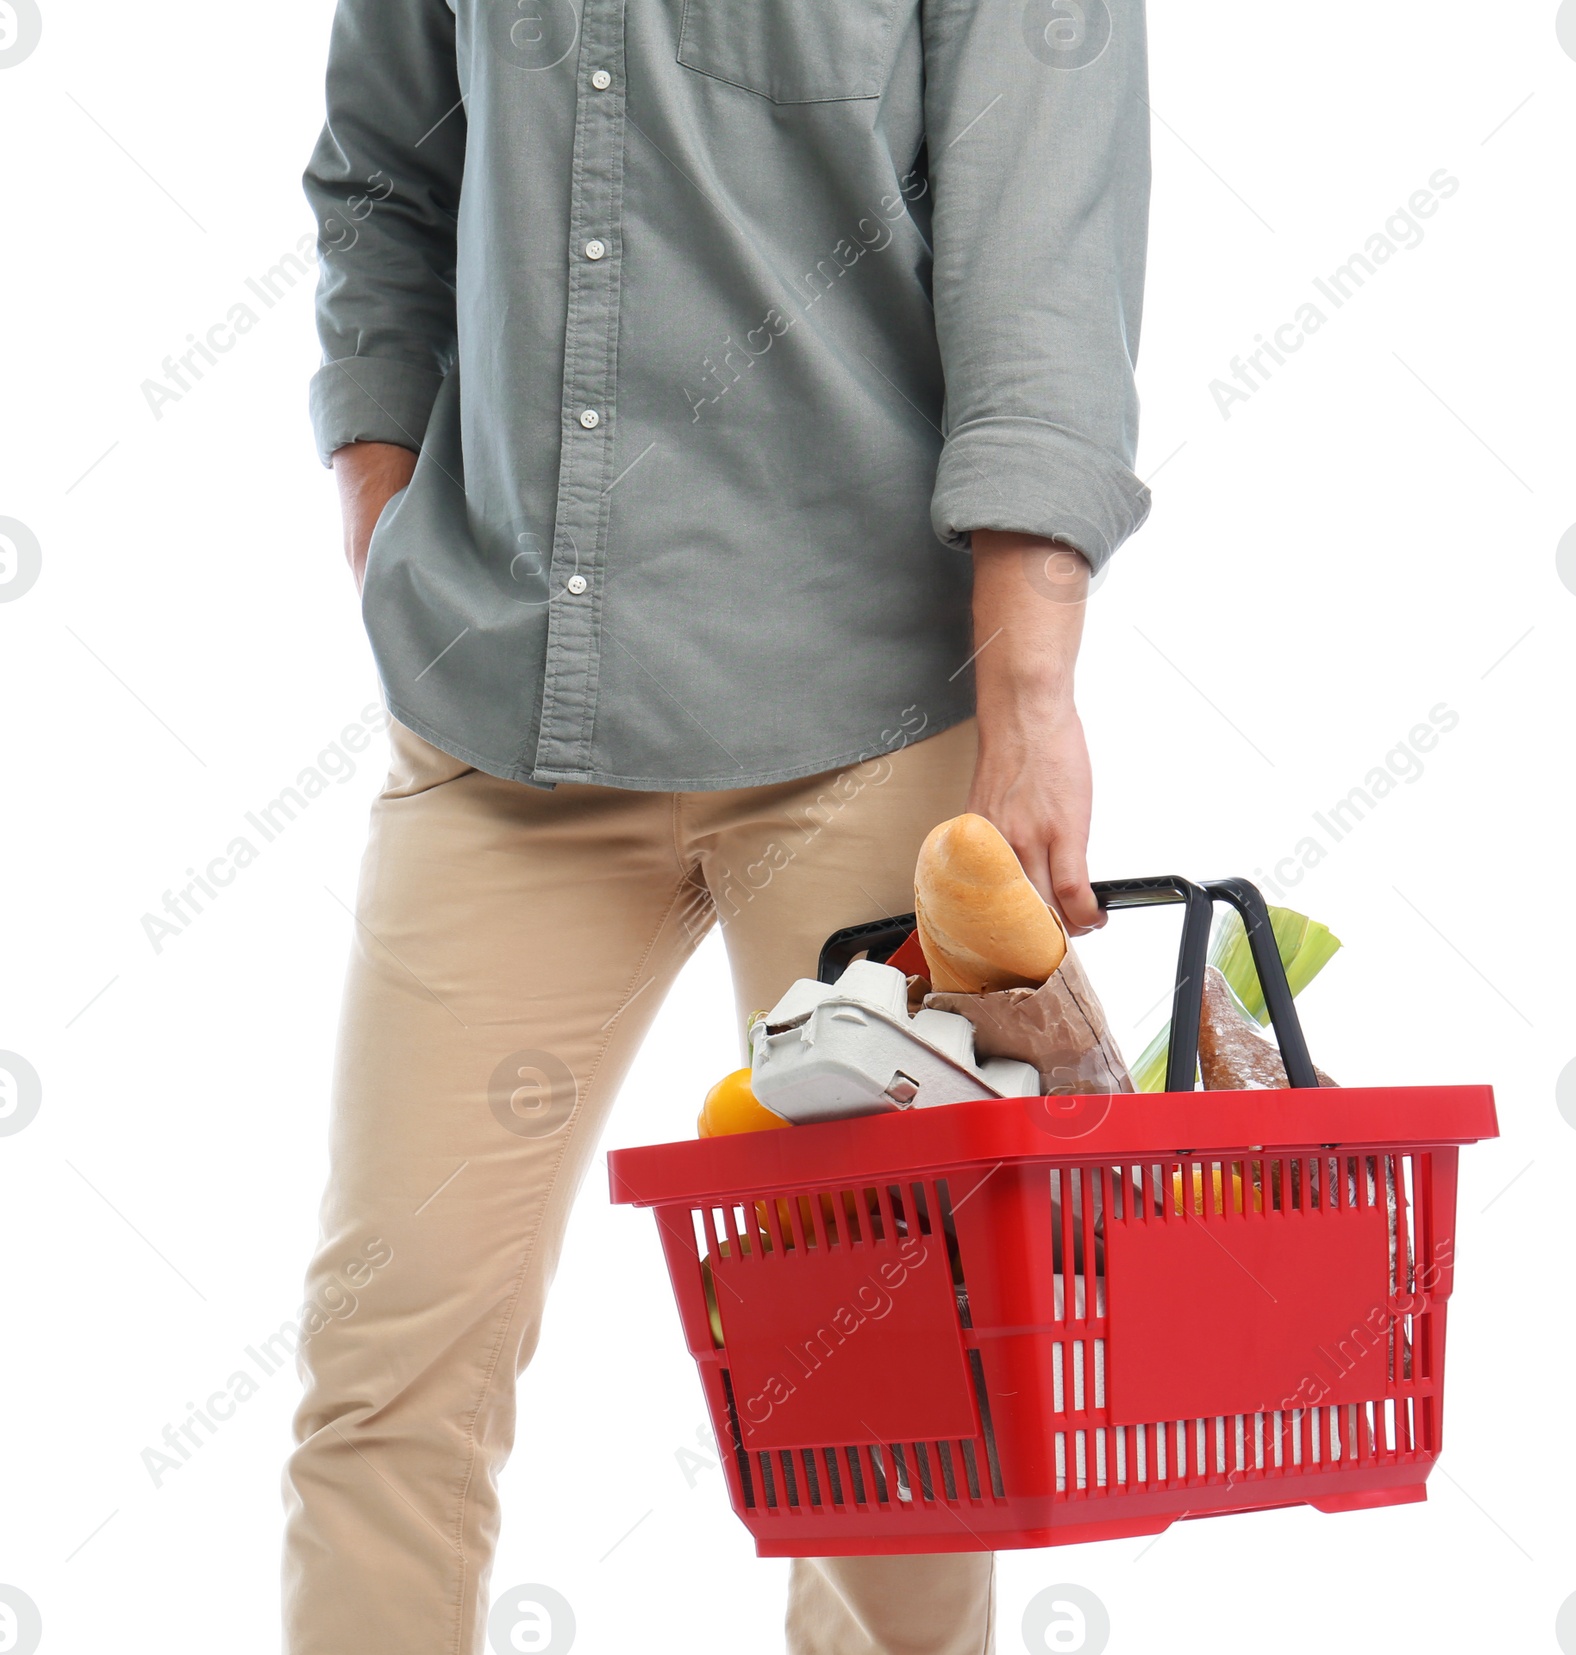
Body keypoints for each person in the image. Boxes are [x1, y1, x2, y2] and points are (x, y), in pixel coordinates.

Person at [282, 0, 1150, 1648]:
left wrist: (1034, 697)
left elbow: (1044, 258)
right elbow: (386, 176)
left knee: (899, 1430)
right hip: (502, 717)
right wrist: (380, 517)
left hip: (862, 719)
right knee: (386, 1368)